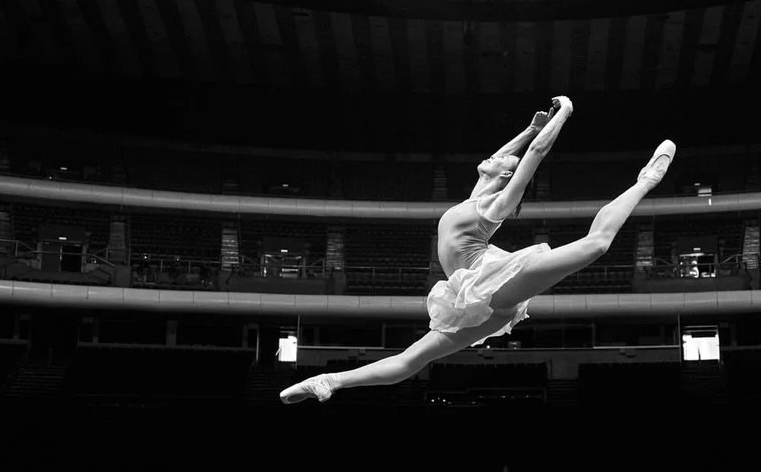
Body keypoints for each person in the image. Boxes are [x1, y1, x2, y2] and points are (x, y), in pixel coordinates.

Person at [280, 96, 674, 403]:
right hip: (472, 300)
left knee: (597, 244)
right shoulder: (479, 192)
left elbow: (531, 156)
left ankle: (645, 181)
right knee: (410, 361)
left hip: (494, 283)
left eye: (501, 159)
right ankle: (329, 381)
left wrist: (564, 114)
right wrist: (530, 126)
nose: (493, 155)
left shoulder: (494, 205)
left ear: (505, 174)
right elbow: (509, 154)